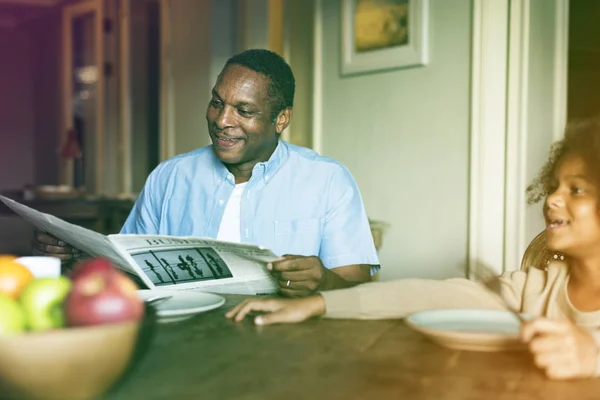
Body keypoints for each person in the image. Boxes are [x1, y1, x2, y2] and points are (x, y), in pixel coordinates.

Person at [227, 118, 600, 380]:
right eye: (553, 185)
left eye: (576, 189)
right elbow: (430, 294)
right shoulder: (536, 287)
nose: (552, 199)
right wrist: (317, 304)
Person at [31, 49, 379, 297]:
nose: (222, 121)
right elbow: (129, 272)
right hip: (179, 340)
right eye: (217, 102)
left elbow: (357, 284)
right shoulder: (169, 178)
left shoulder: (328, 180)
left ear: (281, 119)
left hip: (285, 344)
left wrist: (323, 281)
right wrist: (74, 259)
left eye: (243, 110)